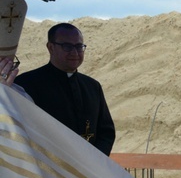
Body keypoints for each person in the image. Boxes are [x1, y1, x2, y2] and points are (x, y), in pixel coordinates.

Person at [14, 23, 115, 155]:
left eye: (79, 46)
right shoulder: (25, 84)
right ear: (51, 47)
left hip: (90, 169)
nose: (74, 52)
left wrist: (96, 160)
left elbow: (106, 131)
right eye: (67, 46)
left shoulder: (93, 86)